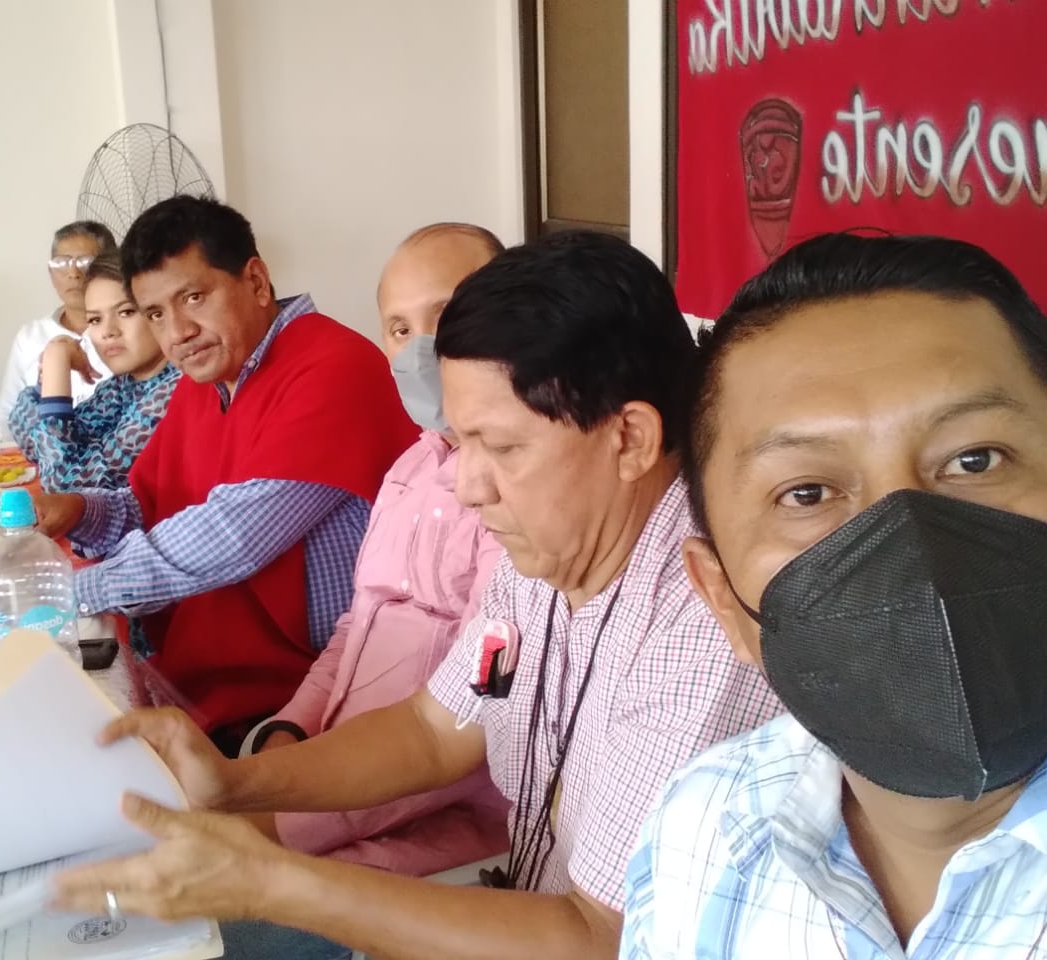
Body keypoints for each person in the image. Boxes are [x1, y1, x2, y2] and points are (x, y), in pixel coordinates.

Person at [52, 231, 782, 960]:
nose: (467, 486)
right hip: (522, 896)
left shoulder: (703, 623)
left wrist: (270, 881)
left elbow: (598, 938)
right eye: (462, 443)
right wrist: (238, 782)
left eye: (502, 448)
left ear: (630, 438)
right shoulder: (548, 552)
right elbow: (433, 729)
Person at [620, 233, 1047, 958]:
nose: (911, 548)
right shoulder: (702, 827)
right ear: (722, 599)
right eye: (807, 493)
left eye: (975, 459)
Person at [34, 196, 418, 756]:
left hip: (313, 700)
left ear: (256, 281)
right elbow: (150, 502)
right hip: (213, 681)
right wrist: (81, 510)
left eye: (193, 297)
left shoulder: (333, 364)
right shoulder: (207, 381)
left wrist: (69, 595)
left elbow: (231, 536)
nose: (178, 332)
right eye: (156, 313)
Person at [248, 222, 510, 881]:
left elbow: (477, 711)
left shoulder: (517, 493)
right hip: (334, 773)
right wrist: (289, 733)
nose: (421, 348)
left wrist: (288, 812)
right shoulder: (406, 473)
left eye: (446, 315)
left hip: (441, 813)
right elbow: (355, 625)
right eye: (399, 329)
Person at [8, 253, 178, 491]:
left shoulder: (173, 390)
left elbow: (65, 485)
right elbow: (30, 440)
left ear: (158, 312)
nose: (108, 331)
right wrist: (52, 368)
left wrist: (56, 361)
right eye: (95, 320)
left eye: (126, 312)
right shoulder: (123, 385)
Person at [0, 220, 117, 431]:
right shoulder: (30, 336)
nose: (73, 273)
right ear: (50, 272)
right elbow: (6, 414)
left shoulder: (123, 331)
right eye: (61, 263)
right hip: (41, 448)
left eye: (85, 262)